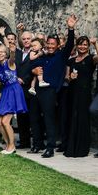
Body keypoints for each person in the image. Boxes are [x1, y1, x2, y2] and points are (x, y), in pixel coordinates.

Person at [28, 15, 76, 158]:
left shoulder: (61, 56)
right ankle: (37, 144)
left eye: (52, 44)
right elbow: (31, 66)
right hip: (37, 90)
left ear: (57, 45)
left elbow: (70, 44)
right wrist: (33, 70)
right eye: (48, 44)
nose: (50, 46)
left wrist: (71, 28)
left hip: (49, 91)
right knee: (34, 117)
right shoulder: (41, 57)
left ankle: (50, 146)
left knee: (49, 118)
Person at [64, 36, 98, 157]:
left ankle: (82, 148)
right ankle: (71, 146)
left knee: (82, 119)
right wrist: (70, 77)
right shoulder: (71, 60)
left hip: (84, 94)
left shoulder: (91, 59)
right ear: (77, 45)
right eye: (80, 44)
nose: (82, 47)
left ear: (88, 46)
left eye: (85, 45)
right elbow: (67, 77)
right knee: (72, 118)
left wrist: (95, 43)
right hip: (72, 92)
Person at [0, 43, 28, 154]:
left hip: (14, 91)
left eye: (2, 52)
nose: (0, 53)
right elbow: (2, 83)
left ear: (6, 53)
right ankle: (8, 145)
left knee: (5, 121)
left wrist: (12, 52)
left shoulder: (9, 62)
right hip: (5, 91)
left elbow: (12, 59)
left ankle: (12, 146)